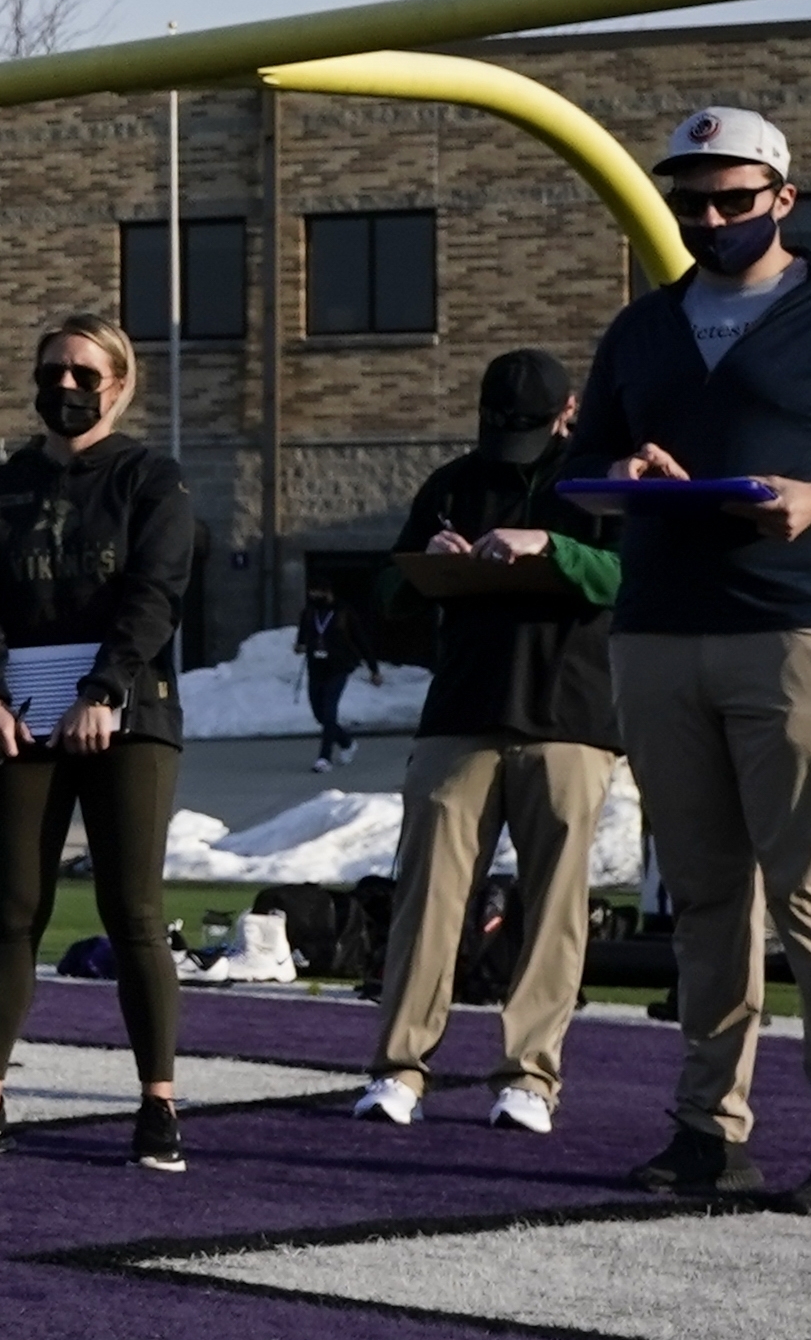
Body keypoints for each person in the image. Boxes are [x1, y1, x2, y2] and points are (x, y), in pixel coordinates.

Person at [561, 104, 811, 1199]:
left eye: (731, 200)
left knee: (806, 895)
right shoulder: (642, 326)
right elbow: (578, 470)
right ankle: (708, 1129)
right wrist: (623, 479)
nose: (706, 218)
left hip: (787, 630)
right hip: (658, 632)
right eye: (687, 200)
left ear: (782, 199)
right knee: (705, 896)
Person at [0, 311, 200, 1173]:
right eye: (52, 372)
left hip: (124, 713)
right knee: (12, 912)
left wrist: (104, 688)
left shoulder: (152, 478)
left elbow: (154, 593)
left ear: (119, 383)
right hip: (23, 714)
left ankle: (157, 1104)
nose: (65, 387)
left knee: (134, 912)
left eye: (83, 373)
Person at [352, 349, 621, 1134]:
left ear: (566, 411)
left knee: (554, 907)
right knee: (426, 897)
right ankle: (397, 1067)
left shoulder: (603, 480)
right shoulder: (452, 483)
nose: (509, 443)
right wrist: (421, 567)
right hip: (460, 712)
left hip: (570, 717)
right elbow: (387, 594)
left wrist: (552, 546)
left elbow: (629, 576)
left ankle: (528, 1076)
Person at [298, 583, 365, 776]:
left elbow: (360, 638)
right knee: (319, 714)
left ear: (328, 592)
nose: (313, 596)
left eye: (316, 591)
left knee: (329, 711)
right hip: (316, 668)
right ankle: (346, 741)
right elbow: (303, 637)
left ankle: (324, 757)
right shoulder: (309, 613)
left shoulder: (343, 612)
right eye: (310, 592)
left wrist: (373, 668)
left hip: (338, 667)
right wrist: (301, 645)